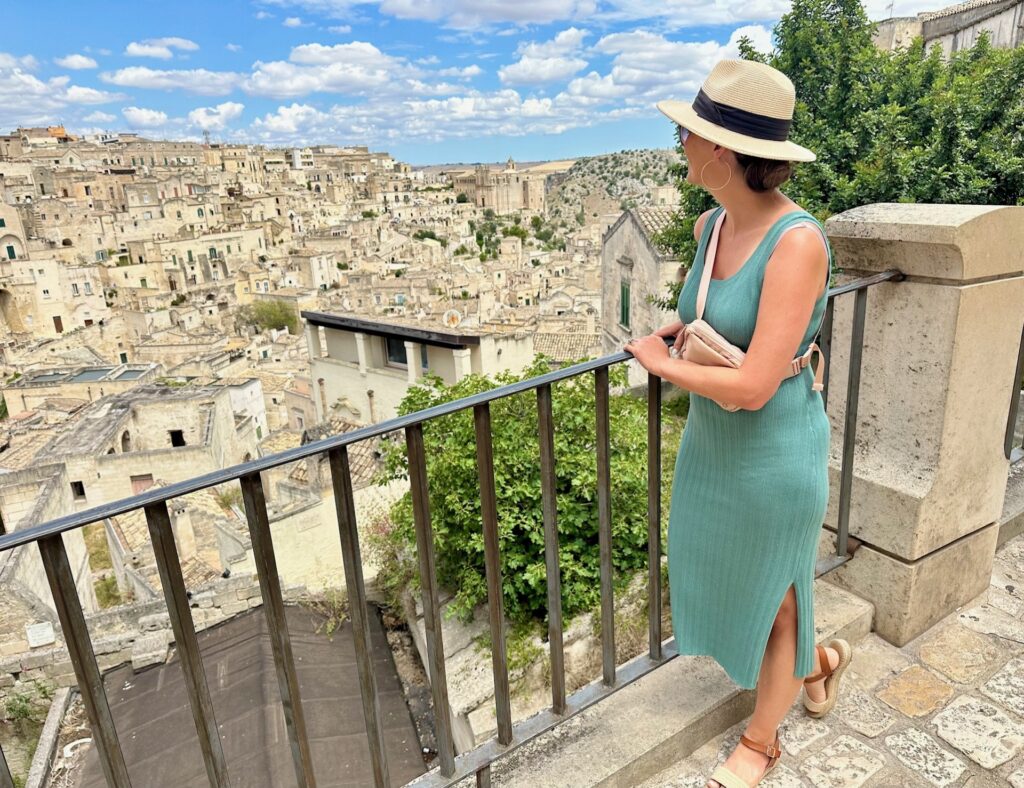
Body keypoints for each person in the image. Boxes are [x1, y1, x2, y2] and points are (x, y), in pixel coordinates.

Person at [624, 59, 853, 788]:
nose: (680, 147)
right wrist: (672, 329)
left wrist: (658, 368)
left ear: (722, 151)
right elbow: (707, 314)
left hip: (772, 446)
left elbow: (755, 384)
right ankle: (817, 664)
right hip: (714, 445)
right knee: (731, 578)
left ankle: (761, 742)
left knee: (779, 594)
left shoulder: (798, 243)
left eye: (687, 136)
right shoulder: (711, 223)